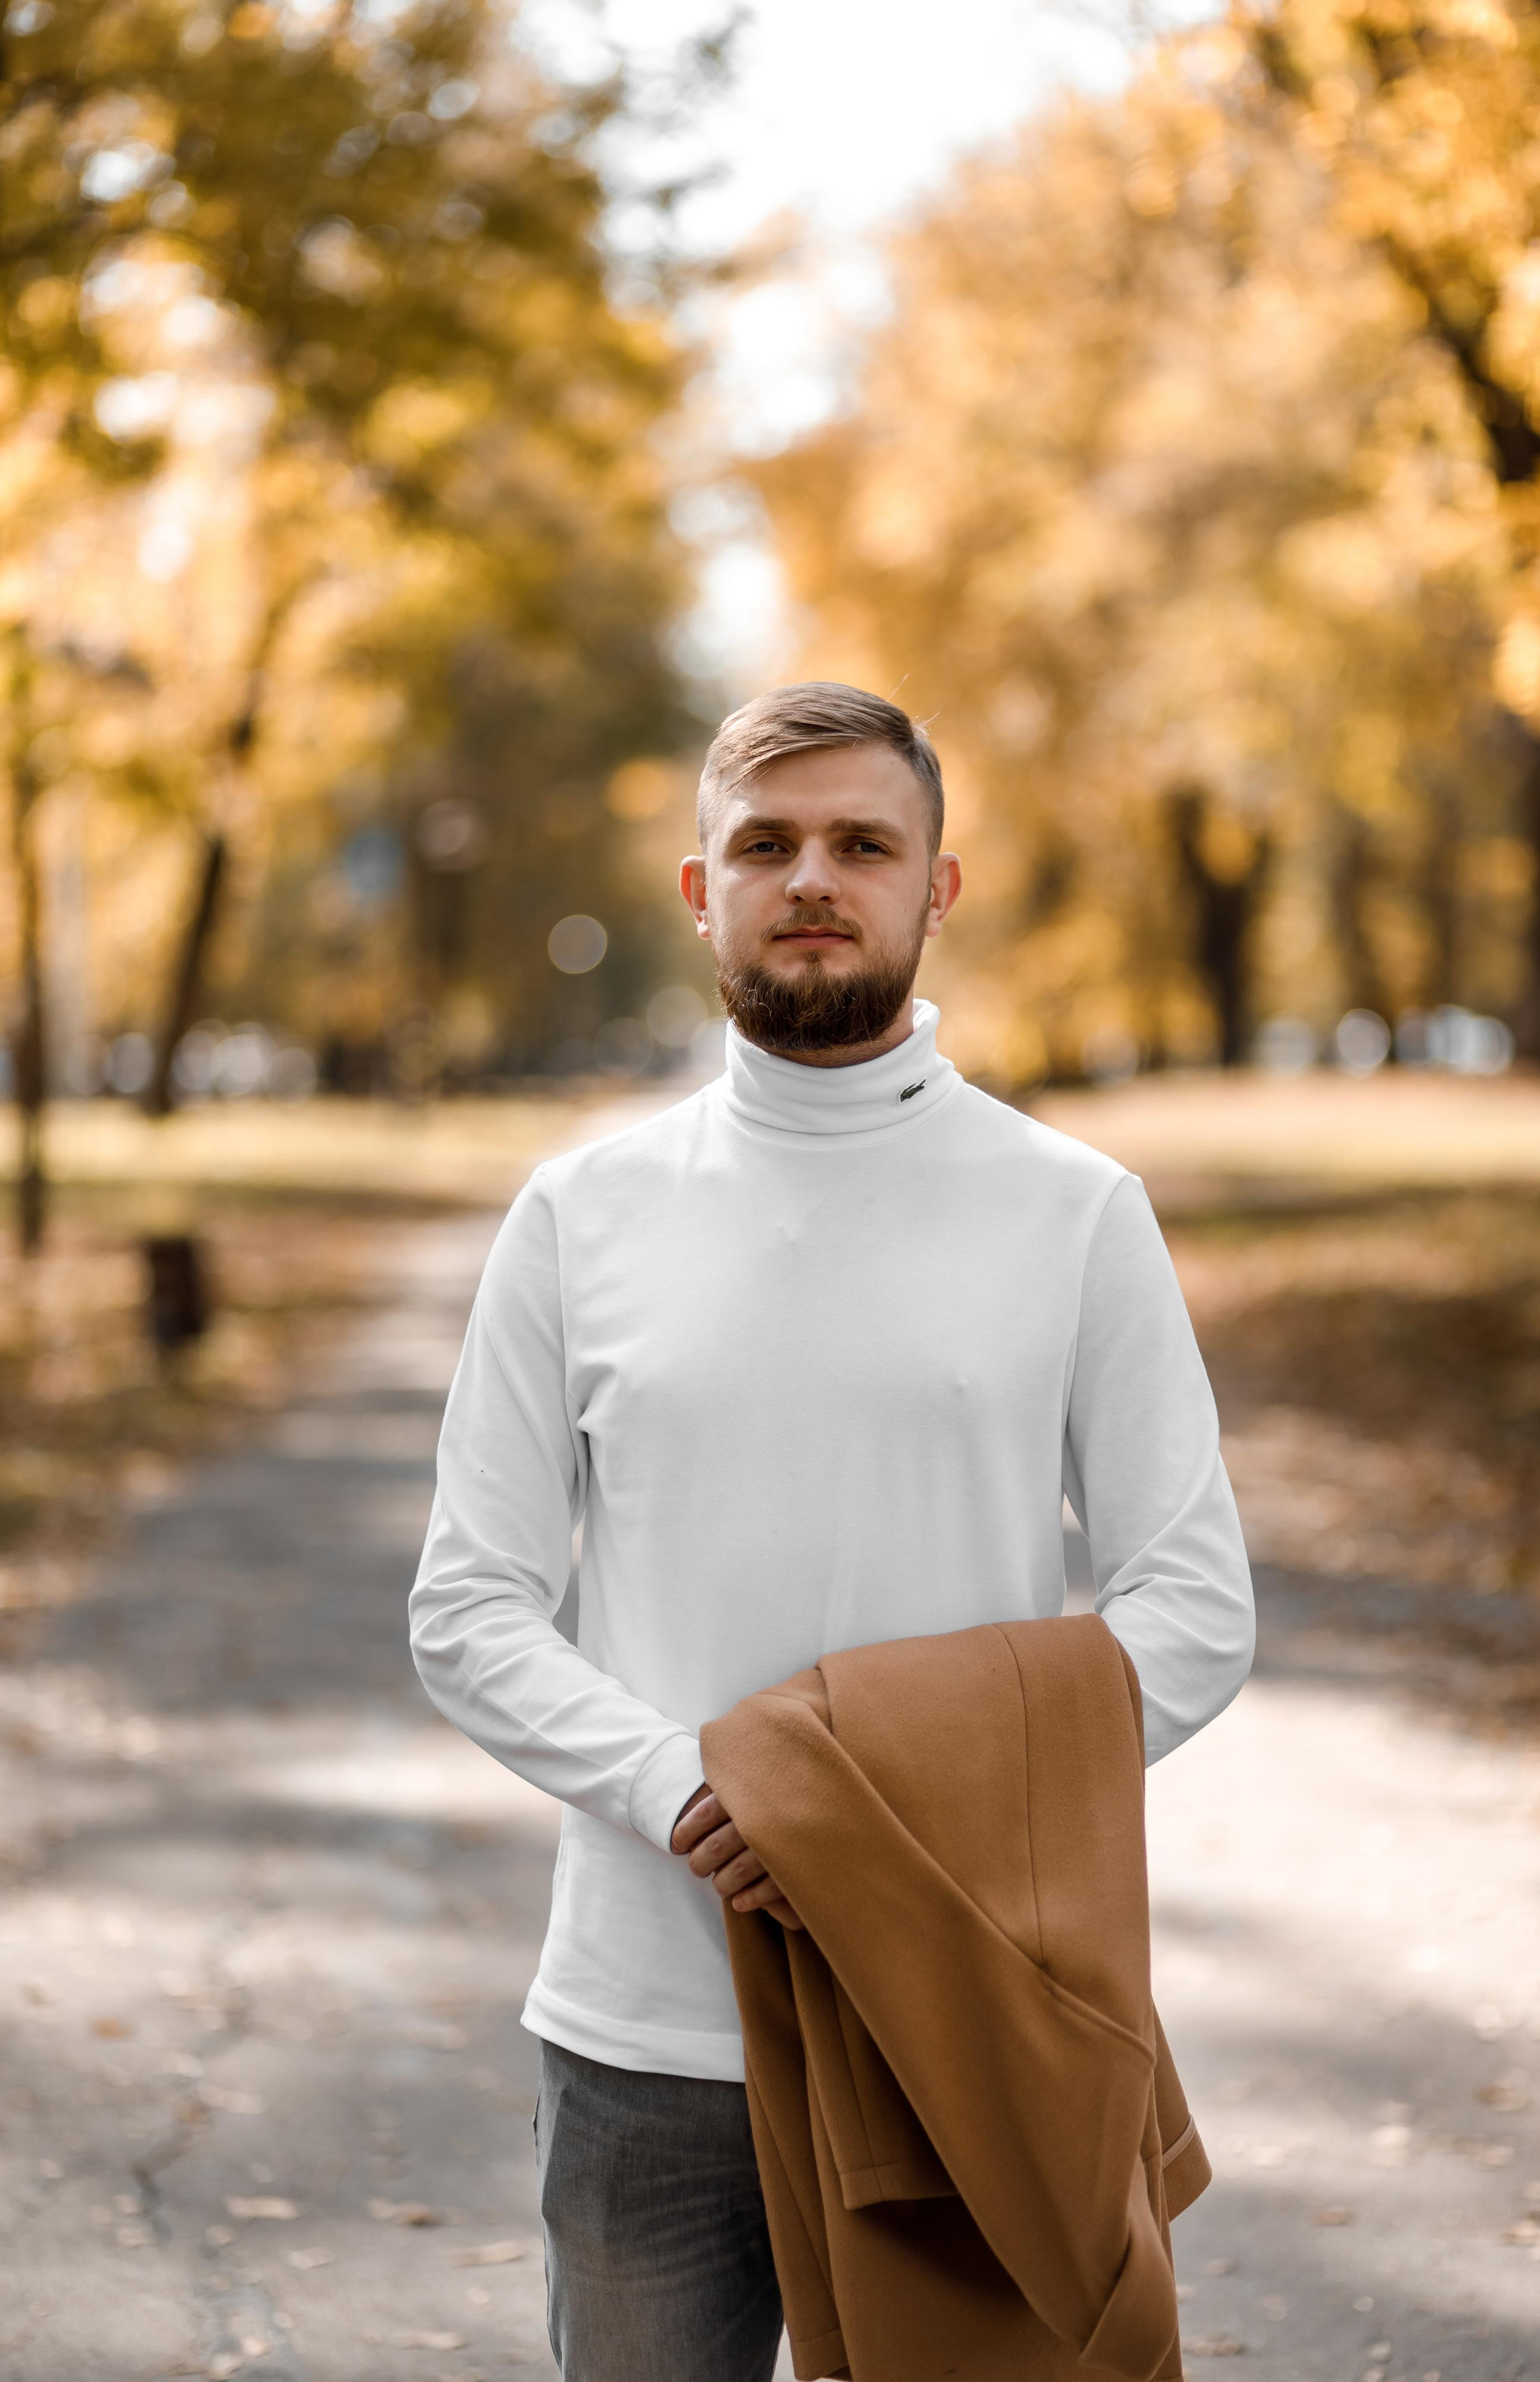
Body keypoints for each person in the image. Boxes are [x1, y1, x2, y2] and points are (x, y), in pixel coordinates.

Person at [409, 681, 1255, 2382]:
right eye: (767, 845)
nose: (814, 878)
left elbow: (1193, 1606)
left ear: (938, 887)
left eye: (864, 843)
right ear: (697, 889)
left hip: (962, 2015)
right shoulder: (580, 1216)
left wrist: (913, 1814)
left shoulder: (1074, 1213)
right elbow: (470, 1609)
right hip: (647, 2034)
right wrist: (693, 1795)